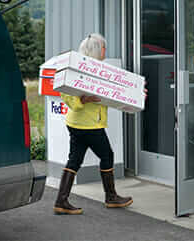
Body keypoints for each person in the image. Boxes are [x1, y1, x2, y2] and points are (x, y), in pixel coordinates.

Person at [54, 33, 135, 215]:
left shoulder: (94, 69)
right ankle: (111, 197)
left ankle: (61, 200)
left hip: (77, 124)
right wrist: (83, 100)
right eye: (104, 48)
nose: (106, 51)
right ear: (97, 50)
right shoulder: (83, 69)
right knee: (107, 155)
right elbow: (66, 93)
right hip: (89, 125)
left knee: (74, 159)